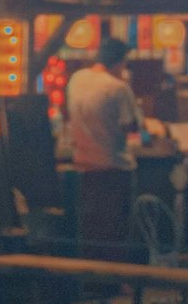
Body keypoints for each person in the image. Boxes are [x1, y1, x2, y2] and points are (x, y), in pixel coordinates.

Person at [62, 45, 145, 258]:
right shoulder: (118, 87)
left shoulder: (77, 79)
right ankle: (114, 279)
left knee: (91, 226)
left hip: (83, 164)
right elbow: (131, 126)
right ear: (119, 63)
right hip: (113, 166)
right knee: (115, 227)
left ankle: (92, 280)